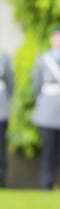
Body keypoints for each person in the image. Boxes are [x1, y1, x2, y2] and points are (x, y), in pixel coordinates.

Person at [31, 26, 60, 189]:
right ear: (51, 39)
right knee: (48, 151)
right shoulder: (42, 60)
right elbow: (36, 85)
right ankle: (46, 182)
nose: (59, 40)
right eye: (56, 36)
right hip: (47, 111)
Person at [0, 47, 14, 187]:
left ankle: (1, 180)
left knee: (1, 148)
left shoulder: (3, 57)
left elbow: (10, 83)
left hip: (1, 110)